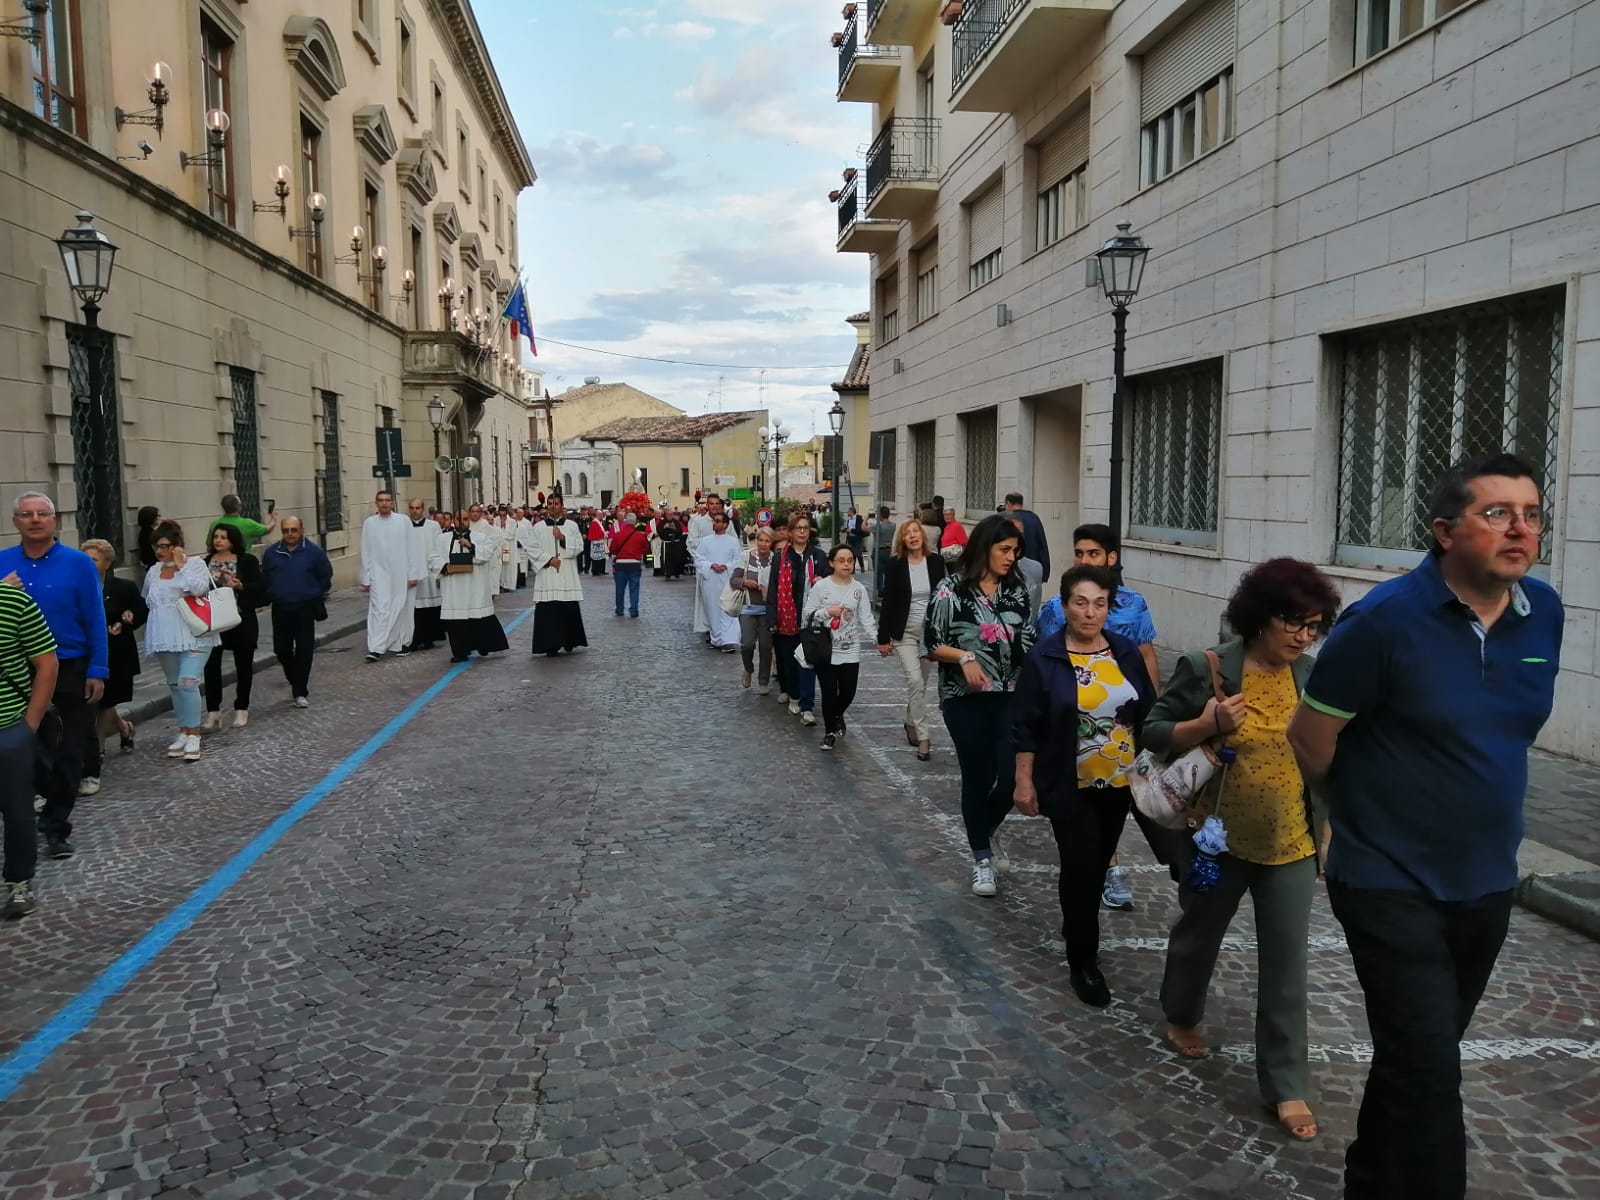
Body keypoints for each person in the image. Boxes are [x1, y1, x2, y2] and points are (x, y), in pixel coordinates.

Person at [1286, 452, 1563, 1200]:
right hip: (1385, 876)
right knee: (1431, 1068)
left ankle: (1369, 1183)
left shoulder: (1546, 612)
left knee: (1417, 1057)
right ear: (1444, 531)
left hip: (1484, 879)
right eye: (1497, 512)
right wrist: (1354, 814)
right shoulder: (1381, 623)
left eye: (1531, 513)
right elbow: (1310, 735)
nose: (1520, 528)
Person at [1145, 559, 1340, 1139]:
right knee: (1198, 935)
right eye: (1294, 623)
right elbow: (1153, 731)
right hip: (1217, 841)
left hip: (1292, 844)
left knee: (1287, 964)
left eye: (1314, 626)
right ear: (1260, 618)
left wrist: (1329, 827)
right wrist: (1204, 724)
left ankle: (1286, 1085)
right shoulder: (1210, 668)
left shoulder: (1311, 676)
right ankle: (1182, 1012)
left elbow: (1330, 756)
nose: (1304, 636)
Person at [1013, 564, 1156, 1007]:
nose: (1090, 613)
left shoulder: (1125, 651)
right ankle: (1083, 960)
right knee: (1080, 866)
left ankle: (1077, 925)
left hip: (1119, 783)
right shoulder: (1046, 657)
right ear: (1066, 606)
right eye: (1081, 602)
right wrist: (1024, 781)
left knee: (1095, 867)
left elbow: (1149, 711)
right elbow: (1026, 726)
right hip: (1067, 781)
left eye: (1099, 603)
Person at [1036, 523, 1163, 910]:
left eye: (1092, 553)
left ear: (1112, 558)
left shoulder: (1134, 604)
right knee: (1081, 828)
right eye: (1079, 553)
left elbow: (1146, 656)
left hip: (1120, 731)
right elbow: (1043, 668)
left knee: (1118, 805)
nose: (1084, 560)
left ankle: (1105, 865)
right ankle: (1102, 876)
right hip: (1073, 732)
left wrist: (1154, 714)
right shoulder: (1056, 609)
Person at [923, 514, 1035, 897]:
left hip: (1010, 694)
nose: (1010, 558)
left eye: (1015, 551)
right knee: (977, 775)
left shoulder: (1016, 589)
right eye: (1004, 550)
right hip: (964, 699)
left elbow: (1029, 638)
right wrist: (965, 657)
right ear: (984, 547)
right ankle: (982, 858)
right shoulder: (950, 590)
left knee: (1008, 777)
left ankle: (984, 828)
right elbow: (932, 643)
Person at [0, 492, 109, 861]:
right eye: (26, 514)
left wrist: (98, 668)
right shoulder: (2, 563)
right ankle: (37, 807)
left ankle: (56, 827)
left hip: (70, 665)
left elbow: (94, 616)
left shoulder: (78, 563)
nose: (35, 520)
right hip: (18, 670)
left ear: (54, 520)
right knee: (25, 747)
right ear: (15, 521)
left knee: (70, 750)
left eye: (42, 514)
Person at [0, 581, 58, 918]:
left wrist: (29, 725)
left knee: (18, 811)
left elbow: (47, 665)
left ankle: (19, 882)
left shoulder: (14, 602)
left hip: (9, 728)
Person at [141, 521, 218, 764]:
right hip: (165, 636)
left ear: (177, 545)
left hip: (195, 634)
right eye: (156, 546)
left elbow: (199, 589)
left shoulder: (194, 565)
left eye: (165, 546)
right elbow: (147, 598)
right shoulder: (153, 570)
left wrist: (182, 565)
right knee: (175, 684)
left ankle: (194, 734)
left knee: (188, 682)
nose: (160, 551)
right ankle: (183, 730)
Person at [876, 519, 946, 762]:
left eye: (916, 531)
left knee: (920, 685)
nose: (913, 536)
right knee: (915, 680)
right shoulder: (895, 565)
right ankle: (924, 737)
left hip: (929, 634)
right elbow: (889, 603)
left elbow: (943, 598)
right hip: (904, 632)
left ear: (923, 536)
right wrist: (882, 637)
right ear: (902, 540)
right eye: (908, 533)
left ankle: (909, 722)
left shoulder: (936, 562)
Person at [79, 539, 144, 796]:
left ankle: (98, 749)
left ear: (107, 562)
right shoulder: (77, 587)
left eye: (93, 559)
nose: (88, 564)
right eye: (84, 558)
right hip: (88, 654)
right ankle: (124, 728)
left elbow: (139, 610)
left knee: (105, 702)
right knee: (98, 702)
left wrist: (126, 620)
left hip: (117, 654)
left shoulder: (123, 587)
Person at [803, 544, 872, 751]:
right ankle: (829, 732)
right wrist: (827, 612)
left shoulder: (859, 589)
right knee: (829, 692)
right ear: (832, 563)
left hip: (850, 648)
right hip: (826, 648)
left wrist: (878, 640)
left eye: (850, 560)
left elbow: (866, 618)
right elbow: (807, 614)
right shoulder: (821, 587)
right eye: (841, 560)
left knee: (849, 691)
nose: (846, 564)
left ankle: (837, 713)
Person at [261, 517, 332, 708]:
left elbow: (325, 576)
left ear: (301, 530)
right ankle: (296, 680)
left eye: (293, 530)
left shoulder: (314, 553)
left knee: (304, 649)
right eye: (285, 530)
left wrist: (314, 592)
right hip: (281, 607)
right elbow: (265, 577)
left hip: (305, 607)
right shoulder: (271, 553)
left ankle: (300, 691)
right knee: (281, 649)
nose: (290, 534)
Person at [766, 513, 829, 727]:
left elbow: (830, 585)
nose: (802, 531)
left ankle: (807, 705)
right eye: (798, 528)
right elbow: (774, 588)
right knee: (791, 661)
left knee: (809, 661)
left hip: (812, 619)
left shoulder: (819, 556)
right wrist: (772, 617)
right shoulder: (780, 557)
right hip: (787, 618)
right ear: (791, 532)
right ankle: (794, 694)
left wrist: (823, 582)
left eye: (806, 528)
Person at [201, 524, 264, 731]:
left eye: (224, 537)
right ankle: (213, 712)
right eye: (216, 537)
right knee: (210, 667)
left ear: (233, 540)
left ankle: (241, 707)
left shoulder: (247, 561)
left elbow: (261, 588)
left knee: (243, 665)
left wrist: (240, 586)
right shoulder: (204, 563)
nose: (218, 540)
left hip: (240, 618)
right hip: (213, 622)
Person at [440, 504, 510, 662]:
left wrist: (471, 547)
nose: (461, 522)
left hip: (475, 586)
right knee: (456, 622)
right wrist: (445, 567)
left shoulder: (480, 537)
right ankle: (460, 652)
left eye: (465, 519)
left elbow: (487, 553)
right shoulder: (442, 539)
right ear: (452, 521)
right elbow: (433, 558)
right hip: (453, 588)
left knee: (478, 617)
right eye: (458, 519)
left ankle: (482, 645)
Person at [360, 491, 422, 662]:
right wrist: (365, 577)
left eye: (387, 500)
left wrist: (413, 574)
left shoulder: (403, 521)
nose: (384, 503)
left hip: (402, 573)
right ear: (376, 503)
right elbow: (366, 550)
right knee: (380, 610)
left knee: (403, 609)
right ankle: (376, 648)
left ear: (393, 503)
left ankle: (403, 642)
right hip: (378, 574)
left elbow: (412, 548)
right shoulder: (370, 523)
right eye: (381, 500)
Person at [528, 496, 587, 657]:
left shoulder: (572, 526)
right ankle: (550, 645)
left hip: (566, 573)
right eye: (550, 504)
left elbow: (579, 547)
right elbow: (531, 549)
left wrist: (562, 538)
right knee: (549, 610)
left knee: (566, 607)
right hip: (547, 573)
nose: (552, 507)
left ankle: (569, 641)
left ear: (562, 506)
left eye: (556, 504)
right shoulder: (538, 527)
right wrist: (549, 560)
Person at [731, 526, 776, 693]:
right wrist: (745, 583)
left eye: (767, 541)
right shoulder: (746, 556)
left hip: (767, 609)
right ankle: (748, 668)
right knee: (747, 643)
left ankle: (763, 681)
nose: (763, 544)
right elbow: (733, 580)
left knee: (765, 646)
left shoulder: (775, 559)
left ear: (772, 543)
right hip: (748, 607)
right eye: (760, 540)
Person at [694, 512, 742, 653]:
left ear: (726, 524)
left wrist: (726, 566)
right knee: (712, 609)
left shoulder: (733, 542)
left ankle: (728, 640)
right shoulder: (706, 541)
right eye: (714, 521)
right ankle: (716, 639)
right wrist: (711, 565)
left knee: (727, 608)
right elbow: (698, 559)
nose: (715, 523)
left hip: (727, 579)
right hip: (711, 580)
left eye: (719, 521)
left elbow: (738, 559)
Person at [406, 499, 446, 651]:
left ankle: (430, 638)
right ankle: (414, 639)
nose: (414, 511)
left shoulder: (433, 526)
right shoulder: (405, 525)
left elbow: (439, 547)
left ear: (422, 509)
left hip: (430, 571)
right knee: (414, 608)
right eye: (412, 508)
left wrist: (439, 570)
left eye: (417, 508)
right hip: (412, 571)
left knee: (431, 607)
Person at [608, 513, 649, 618]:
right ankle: (634, 610)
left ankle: (619, 609)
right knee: (634, 589)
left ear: (625, 521)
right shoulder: (640, 535)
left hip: (620, 565)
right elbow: (645, 549)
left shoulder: (618, 535)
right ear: (635, 523)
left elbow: (612, 549)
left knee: (619, 589)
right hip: (634, 564)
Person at [1003, 492, 1051, 580]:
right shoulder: (1034, 518)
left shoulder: (1006, 519)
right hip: (1033, 573)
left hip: (1012, 572)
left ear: (1008, 503)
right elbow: (1043, 545)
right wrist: (1045, 573)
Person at [210, 493, 278, 547]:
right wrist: (273, 518)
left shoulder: (215, 524)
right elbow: (267, 529)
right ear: (239, 507)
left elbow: (209, 545)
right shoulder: (247, 524)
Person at [871, 506, 896, 598]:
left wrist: (866, 517)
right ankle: (888, 589)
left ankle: (881, 591)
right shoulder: (893, 525)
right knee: (888, 572)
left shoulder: (878, 526)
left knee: (878, 573)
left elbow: (863, 528)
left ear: (880, 515)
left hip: (878, 550)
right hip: (888, 550)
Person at [659, 512, 687, 580]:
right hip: (667, 543)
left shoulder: (676, 522)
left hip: (675, 543)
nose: (670, 516)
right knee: (667, 560)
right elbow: (659, 531)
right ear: (666, 515)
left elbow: (680, 532)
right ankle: (667, 574)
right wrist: (664, 527)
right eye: (668, 514)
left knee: (677, 559)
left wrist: (674, 528)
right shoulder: (662, 522)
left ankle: (677, 573)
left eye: (671, 515)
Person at [135, 505, 162, 570]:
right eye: (158, 516)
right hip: (154, 564)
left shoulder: (145, 532)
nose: (160, 518)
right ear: (151, 518)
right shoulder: (150, 534)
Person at [587, 511, 609, 576]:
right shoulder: (595, 522)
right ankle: (596, 570)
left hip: (601, 542)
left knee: (602, 557)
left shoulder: (598, 522)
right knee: (597, 558)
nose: (602, 516)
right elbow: (598, 533)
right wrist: (605, 534)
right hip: (597, 542)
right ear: (597, 515)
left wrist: (605, 533)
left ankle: (601, 570)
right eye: (600, 514)